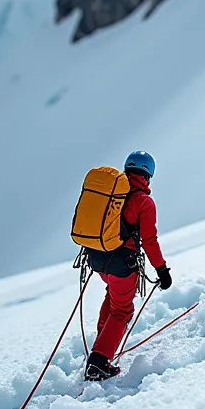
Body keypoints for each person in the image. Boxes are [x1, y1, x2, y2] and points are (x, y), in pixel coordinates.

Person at [84, 151, 172, 382]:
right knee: (122, 310)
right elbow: (150, 240)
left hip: (98, 260)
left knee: (113, 298)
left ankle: (100, 345)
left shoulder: (112, 193)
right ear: (148, 174)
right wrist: (161, 270)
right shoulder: (143, 201)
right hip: (122, 264)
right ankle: (99, 362)